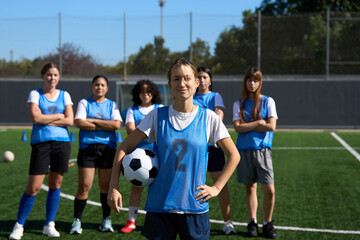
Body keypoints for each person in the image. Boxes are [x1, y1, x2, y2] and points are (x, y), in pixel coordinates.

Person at [108, 57, 240, 240]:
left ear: (196, 83)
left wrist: (216, 188)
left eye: (187, 78)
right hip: (160, 207)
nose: (182, 83)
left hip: (195, 207)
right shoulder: (156, 116)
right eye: (176, 79)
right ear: (170, 84)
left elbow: (234, 155)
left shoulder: (209, 118)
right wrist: (113, 186)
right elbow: (124, 147)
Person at [9, 63, 74, 239]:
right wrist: (59, 116)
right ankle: (19, 225)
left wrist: (47, 119)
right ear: (43, 76)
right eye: (49, 74)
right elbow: (35, 117)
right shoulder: (35, 94)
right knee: (34, 187)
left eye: (55, 75)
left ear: (59, 77)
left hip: (62, 142)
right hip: (41, 143)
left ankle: (49, 224)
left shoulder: (65, 95)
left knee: (56, 184)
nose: (52, 78)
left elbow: (70, 120)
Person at [69, 75, 122, 234]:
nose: (99, 87)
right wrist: (105, 125)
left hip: (107, 149)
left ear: (107, 88)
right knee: (84, 186)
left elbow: (116, 125)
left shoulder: (112, 105)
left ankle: (106, 220)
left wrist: (91, 121)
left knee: (105, 187)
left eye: (102, 85)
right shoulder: (84, 103)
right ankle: (77, 221)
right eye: (96, 85)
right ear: (92, 87)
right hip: (87, 149)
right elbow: (79, 122)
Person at [232, 67, 278, 239]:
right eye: (249, 80)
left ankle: (267, 223)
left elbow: (272, 126)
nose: (252, 83)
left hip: (263, 149)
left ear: (260, 82)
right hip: (244, 149)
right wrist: (259, 122)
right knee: (250, 187)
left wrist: (248, 125)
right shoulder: (239, 103)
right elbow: (237, 128)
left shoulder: (268, 101)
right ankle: (253, 222)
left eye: (256, 80)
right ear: (245, 82)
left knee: (270, 189)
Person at [193, 66, 236, 235]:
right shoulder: (191, 98)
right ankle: (193, 220)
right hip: (196, 148)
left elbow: (217, 120)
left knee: (220, 186)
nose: (202, 80)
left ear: (210, 80)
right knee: (195, 186)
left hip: (213, 148)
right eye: (199, 77)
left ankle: (228, 222)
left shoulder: (216, 96)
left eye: (205, 77)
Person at [120, 79, 163, 233]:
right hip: (137, 156)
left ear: (154, 93)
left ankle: (158, 222)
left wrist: (143, 133)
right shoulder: (132, 110)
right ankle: (131, 221)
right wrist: (152, 133)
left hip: (158, 156)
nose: (146, 94)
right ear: (138, 94)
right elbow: (131, 131)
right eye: (142, 91)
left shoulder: (160, 109)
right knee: (136, 188)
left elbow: (164, 132)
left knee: (159, 189)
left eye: (149, 91)